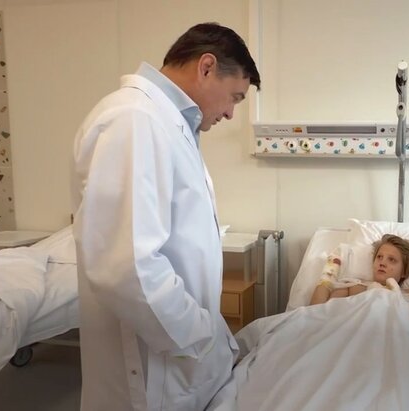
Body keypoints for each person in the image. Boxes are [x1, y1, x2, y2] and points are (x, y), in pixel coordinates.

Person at [71, 23, 260, 410]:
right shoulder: (134, 120)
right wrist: (201, 334)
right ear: (206, 67)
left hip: (175, 356)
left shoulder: (168, 123)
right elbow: (126, 267)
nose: (229, 112)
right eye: (235, 97)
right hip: (151, 367)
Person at [309, 234, 409, 335]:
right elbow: (318, 314)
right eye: (379, 257)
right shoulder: (353, 286)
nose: (382, 263)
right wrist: (329, 271)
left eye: (392, 260)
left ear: (404, 272)